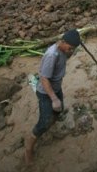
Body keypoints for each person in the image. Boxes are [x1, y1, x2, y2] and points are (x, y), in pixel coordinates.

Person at [25, 29, 82, 165]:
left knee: (58, 111)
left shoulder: (64, 50)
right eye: (70, 48)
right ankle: (28, 148)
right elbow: (44, 79)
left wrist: (77, 41)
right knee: (44, 123)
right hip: (46, 92)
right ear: (62, 42)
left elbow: (72, 35)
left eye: (73, 49)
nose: (71, 51)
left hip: (56, 87)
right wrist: (54, 98)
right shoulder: (52, 55)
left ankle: (52, 128)